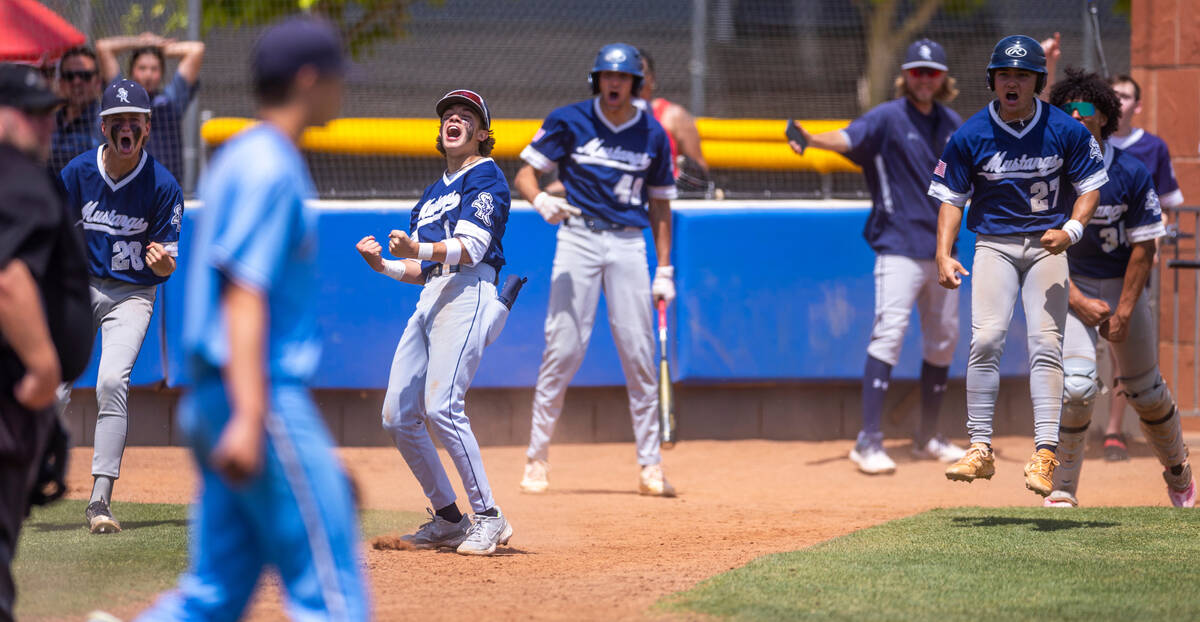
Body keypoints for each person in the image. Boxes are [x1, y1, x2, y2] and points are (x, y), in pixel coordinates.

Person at [135, 17, 368, 621]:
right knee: (332, 590)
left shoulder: (239, 157)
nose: (343, 88)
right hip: (258, 399)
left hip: (215, 399)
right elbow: (244, 293)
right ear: (308, 79)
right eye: (336, 76)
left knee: (213, 594)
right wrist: (249, 416)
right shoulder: (271, 166)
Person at [929, 35, 1108, 498]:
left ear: (1036, 82)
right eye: (1005, 74)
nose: (1012, 82)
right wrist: (944, 252)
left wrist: (1072, 229)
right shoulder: (970, 134)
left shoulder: (1065, 130)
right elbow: (951, 199)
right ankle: (980, 447)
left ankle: (1046, 452)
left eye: (1022, 75)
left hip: (1049, 246)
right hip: (994, 243)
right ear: (992, 80)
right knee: (986, 337)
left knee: (1046, 343)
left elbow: (1090, 186)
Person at [788, 38, 966, 475]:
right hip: (898, 245)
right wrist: (810, 138)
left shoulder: (952, 123)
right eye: (916, 71)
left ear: (943, 78)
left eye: (932, 72)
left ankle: (927, 437)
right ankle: (867, 440)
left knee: (943, 340)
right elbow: (849, 137)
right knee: (889, 333)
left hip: (944, 251)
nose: (924, 79)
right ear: (904, 76)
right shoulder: (887, 117)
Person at [355, 89, 519, 556]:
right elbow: (422, 270)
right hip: (433, 294)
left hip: (468, 289)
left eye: (467, 116)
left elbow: (470, 248)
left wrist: (416, 250)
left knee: (443, 406)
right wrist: (384, 265)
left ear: (483, 134)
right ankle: (449, 519)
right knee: (397, 416)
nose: (455, 119)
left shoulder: (486, 175)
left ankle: (489, 516)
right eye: (449, 114)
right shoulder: (431, 194)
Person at [516, 43, 678, 497]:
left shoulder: (653, 133)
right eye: (607, 75)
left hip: (629, 241)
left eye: (623, 77)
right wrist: (541, 199)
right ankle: (536, 457)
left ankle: (650, 465)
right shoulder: (569, 119)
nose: (615, 83)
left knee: (639, 354)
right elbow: (526, 172)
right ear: (596, 80)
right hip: (579, 236)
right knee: (563, 348)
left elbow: (661, 203)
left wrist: (664, 267)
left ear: (636, 84)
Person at [1043, 68, 1194, 508]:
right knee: (1076, 387)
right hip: (1072, 286)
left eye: (1086, 114)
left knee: (1145, 391)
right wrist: (1077, 300)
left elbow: (1145, 249)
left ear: (1105, 118)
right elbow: (1040, 250)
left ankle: (1179, 471)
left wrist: (1124, 310)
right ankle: (1063, 489)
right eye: (1066, 115)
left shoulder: (1130, 171)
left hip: (1123, 287)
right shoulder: (1049, 176)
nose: (1076, 120)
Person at [59, 79, 183, 534]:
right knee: (51, 385)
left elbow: (168, 265)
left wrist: (165, 264)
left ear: (147, 128)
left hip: (132, 293)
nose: (126, 127)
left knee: (112, 380)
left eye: (135, 120)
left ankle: (99, 501)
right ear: (104, 127)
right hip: (80, 286)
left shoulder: (163, 184)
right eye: (117, 120)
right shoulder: (77, 173)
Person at [0, 62, 92, 622]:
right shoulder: (17, 178)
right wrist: (40, 367)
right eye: (29, 114)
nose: (44, 126)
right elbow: (8, 276)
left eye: (49, 115)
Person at [1098, 73, 1186, 461]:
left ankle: (1115, 430)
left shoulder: (1152, 148)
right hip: (1083, 263)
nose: (1119, 100)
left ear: (1137, 104)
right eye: (1113, 94)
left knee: (1122, 349)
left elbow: (1169, 203)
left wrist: (1155, 229)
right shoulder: (1084, 142)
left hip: (1130, 263)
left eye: (1126, 95)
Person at [96, 32, 205, 183]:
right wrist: (140, 43)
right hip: (122, 188)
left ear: (161, 73)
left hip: (164, 191)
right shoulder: (119, 97)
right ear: (131, 70)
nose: (148, 74)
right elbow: (103, 48)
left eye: (154, 69)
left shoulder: (170, 101)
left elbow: (196, 50)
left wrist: (158, 47)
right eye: (142, 68)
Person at [637, 49, 708, 186]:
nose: (635, 82)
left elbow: (700, 172)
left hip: (666, 196)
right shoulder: (611, 120)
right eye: (628, 76)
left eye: (640, 75)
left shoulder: (674, 116)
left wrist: (687, 184)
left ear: (652, 78)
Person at [49, 46, 103, 171]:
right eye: (69, 76)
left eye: (85, 75)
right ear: (61, 82)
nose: (76, 82)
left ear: (98, 82)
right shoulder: (48, 123)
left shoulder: (106, 124)